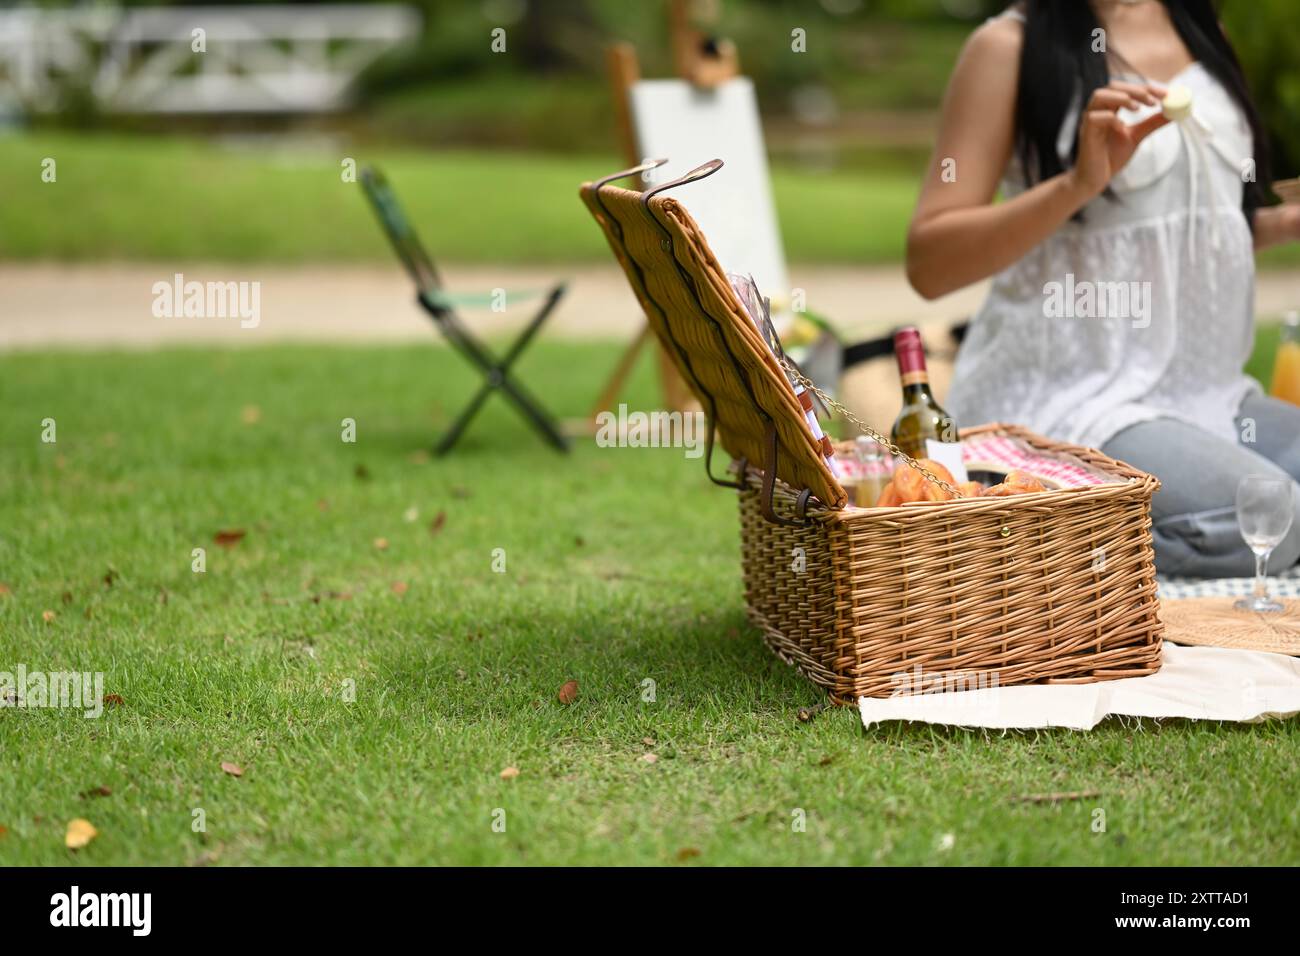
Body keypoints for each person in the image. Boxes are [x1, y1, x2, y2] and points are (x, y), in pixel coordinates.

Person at [906, 0, 1300, 577]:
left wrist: (1287, 221)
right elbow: (929, 263)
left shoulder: (1202, 30)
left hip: (1208, 398)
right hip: (1071, 404)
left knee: (1270, 516)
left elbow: (1191, 232)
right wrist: (1078, 185)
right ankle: (1011, 540)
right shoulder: (1007, 49)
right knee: (1271, 518)